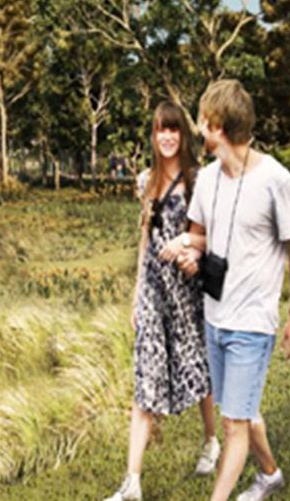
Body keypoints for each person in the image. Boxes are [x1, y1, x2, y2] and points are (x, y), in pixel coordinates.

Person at [170, 80, 290, 501]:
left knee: (234, 425)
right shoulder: (208, 180)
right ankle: (270, 474)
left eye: (204, 123)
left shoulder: (276, 180)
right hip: (215, 317)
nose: (199, 131)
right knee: (240, 411)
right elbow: (199, 236)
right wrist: (186, 254)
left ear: (217, 126)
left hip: (252, 321)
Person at [104, 103, 220, 501]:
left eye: (173, 130)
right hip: (154, 290)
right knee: (146, 376)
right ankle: (132, 481)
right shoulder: (144, 181)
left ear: (182, 135)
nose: (167, 137)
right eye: (160, 131)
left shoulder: (199, 181)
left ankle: (211, 440)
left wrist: (187, 243)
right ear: (152, 137)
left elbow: (212, 239)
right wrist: (137, 291)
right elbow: (144, 238)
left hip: (186, 290)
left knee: (197, 366)